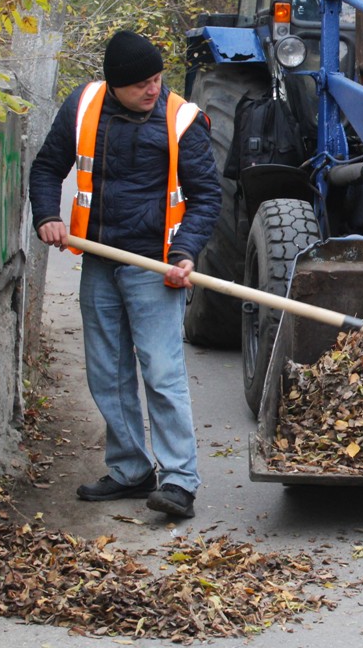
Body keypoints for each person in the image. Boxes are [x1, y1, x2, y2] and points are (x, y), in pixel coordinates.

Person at [28, 30, 222, 520]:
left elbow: (207, 198)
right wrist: (47, 216)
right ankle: (131, 469)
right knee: (107, 372)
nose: (153, 90)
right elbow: (48, 166)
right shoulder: (85, 104)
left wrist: (185, 253)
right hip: (99, 261)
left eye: (157, 79)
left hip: (153, 267)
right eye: (141, 85)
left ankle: (179, 481)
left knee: (161, 372)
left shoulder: (181, 120)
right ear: (115, 84)